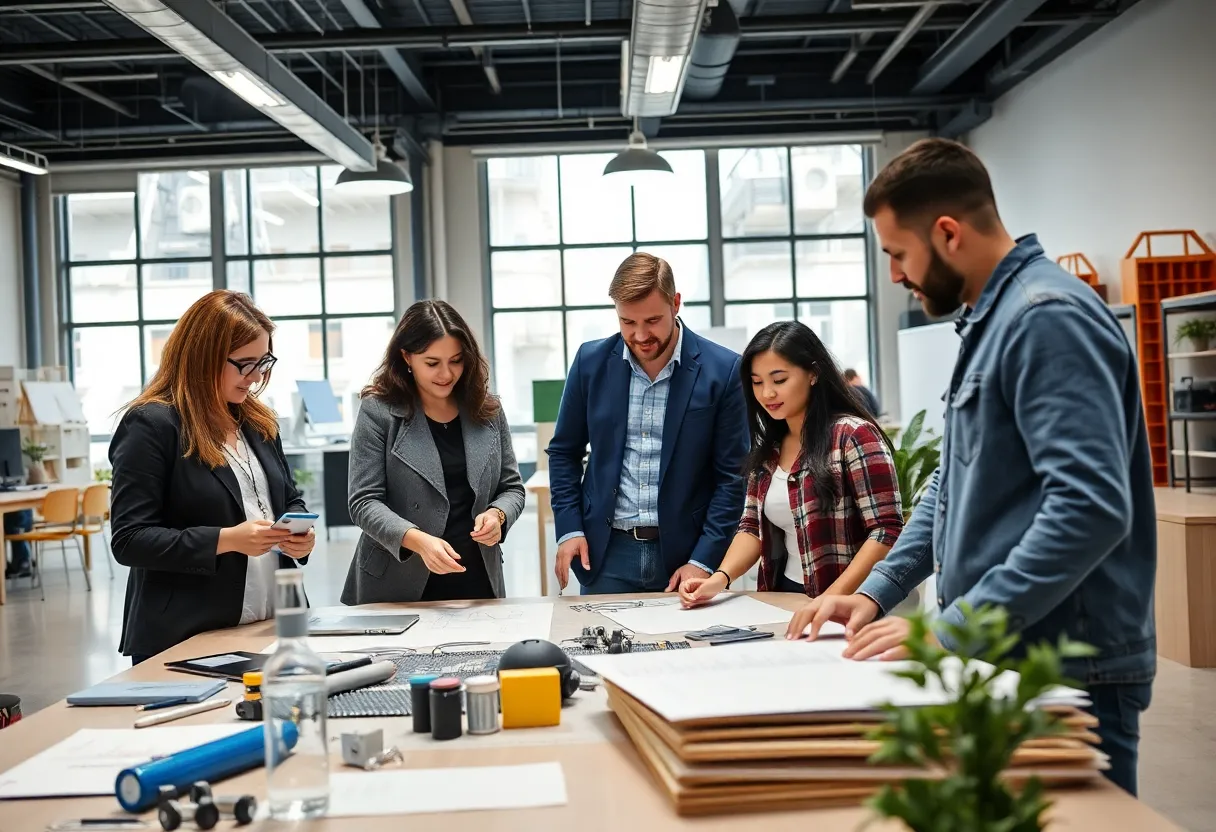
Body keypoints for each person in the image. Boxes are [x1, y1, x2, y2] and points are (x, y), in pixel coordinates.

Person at [788, 138, 1155, 797]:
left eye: (899, 255)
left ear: (948, 233)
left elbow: (1090, 509)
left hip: (1067, 665)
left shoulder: (1046, 319)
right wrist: (874, 593)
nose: (896, 275)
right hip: (1008, 654)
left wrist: (952, 629)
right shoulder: (992, 322)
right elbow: (950, 487)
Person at [109, 290, 314, 664]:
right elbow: (130, 539)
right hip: (187, 634)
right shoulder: (152, 425)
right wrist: (226, 540)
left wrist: (299, 532)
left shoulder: (257, 420)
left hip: (272, 624)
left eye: (264, 361)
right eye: (245, 364)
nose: (256, 377)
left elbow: (287, 497)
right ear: (203, 357)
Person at [548, 252, 749, 594]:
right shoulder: (589, 363)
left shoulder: (725, 370)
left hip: (686, 558)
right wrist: (570, 529)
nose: (640, 335)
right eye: (628, 322)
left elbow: (732, 478)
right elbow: (564, 453)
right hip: (605, 554)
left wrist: (703, 560)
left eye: (653, 320)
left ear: (676, 304)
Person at [678, 321, 903, 607]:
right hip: (782, 594)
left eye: (779, 380)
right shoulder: (769, 451)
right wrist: (718, 580)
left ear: (813, 373)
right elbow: (751, 529)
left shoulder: (853, 436)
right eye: (757, 382)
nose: (767, 393)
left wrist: (830, 599)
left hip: (847, 600)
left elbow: (886, 530)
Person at [341, 300, 524, 605]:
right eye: (432, 363)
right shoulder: (378, 412)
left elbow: (512, 488)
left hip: (476, 576)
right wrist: (418, 541)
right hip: (398, 577)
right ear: (406, 357)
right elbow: (364, 501)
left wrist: (498, 514)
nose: (446, 373)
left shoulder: (487, 409)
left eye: (456, 360)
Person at [4, 510, 33, 579]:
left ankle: (22, 562)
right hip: (23, 521)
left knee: (16, 528)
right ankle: (21, 563)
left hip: (19, 523)